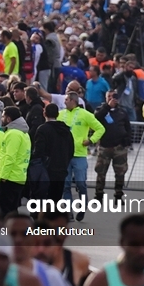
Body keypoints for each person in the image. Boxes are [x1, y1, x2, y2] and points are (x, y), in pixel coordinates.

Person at [58, 92, 104, 220]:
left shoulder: (85, 114)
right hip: (65, 155)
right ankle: (68, 212)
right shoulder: (61, 115)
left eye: (66, 100)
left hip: (79, 154)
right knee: (65, 185)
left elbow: (100, 128)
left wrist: (91, 140)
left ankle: (83, 206)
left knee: (80, 183)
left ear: (73, 101)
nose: (64, 102)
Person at [93, 90, 132, 201]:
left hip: (119, 147)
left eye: (113, 96)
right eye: (108, 96)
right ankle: (99, 194)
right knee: (101, 171)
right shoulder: (101, 110)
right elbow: (97, 117)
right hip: (104, 146)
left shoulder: (122, 112)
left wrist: (127, 140)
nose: (111, 98)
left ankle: (118, 195)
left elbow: (128, 127)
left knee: (120, 172)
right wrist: (107, 107)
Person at [32, 103, 75, 203]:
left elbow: (39, 151)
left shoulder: (43, 129)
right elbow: (71, 150)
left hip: (46, 170)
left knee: (42, 198)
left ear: (44, 113)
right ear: (57, 114)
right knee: (56, 198)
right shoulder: (66, 130)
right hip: (61, 169)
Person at [0, 106, 31, 215]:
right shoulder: (24, 133)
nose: (1, 119)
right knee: (12, 210)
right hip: (19, 175)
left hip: (10, 177)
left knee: (6, 211)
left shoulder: (13, 134)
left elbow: (10, 157)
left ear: (8, 119)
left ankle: (9, 231)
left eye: (3, 116)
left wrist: (3, 176)